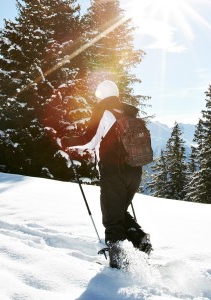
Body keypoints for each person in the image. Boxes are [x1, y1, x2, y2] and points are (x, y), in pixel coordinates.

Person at [61, 80, 151, 269]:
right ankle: (140, 239)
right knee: (118, 212)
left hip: (113, 172)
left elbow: (90, 140)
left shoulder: (104, 110)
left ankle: (118, 263)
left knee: (111, 219)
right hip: (135, 171)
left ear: (101, 95)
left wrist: (66, 142)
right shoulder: (128, 112)